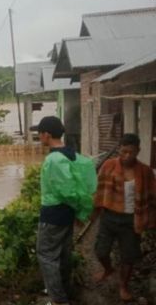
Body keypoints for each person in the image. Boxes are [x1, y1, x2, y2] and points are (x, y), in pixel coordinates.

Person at [35, 116, 97, 305]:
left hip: (53, 213)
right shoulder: (74, 155)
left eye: (39, 134)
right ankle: (64, 292)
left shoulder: (54, 159)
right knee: (63, 255)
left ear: (46, 135)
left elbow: (66, 191)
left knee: (46, 256)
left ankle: (59, 300)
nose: (39, 137)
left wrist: (79, 208)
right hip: (67, 214)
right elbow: (86, 186)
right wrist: (81, 212)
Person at [93, 133, 156, 302]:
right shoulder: (108, 166)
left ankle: (124, 286)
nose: (127, 156)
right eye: (124, 152)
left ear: (138, 151)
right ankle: (108, 269)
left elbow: (152, 196)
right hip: (109, 217)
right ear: (119, 150)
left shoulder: (145, 171)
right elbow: (99, 190)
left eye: (131, 152)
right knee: (100, 251)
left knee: (128, 256)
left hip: (131, 220)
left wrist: (149, 219)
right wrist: (94, 212)